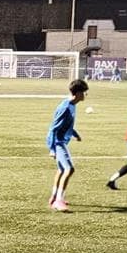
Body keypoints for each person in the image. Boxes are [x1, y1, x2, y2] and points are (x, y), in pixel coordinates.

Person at [46, 78, 88, 212]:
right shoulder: (65, 107)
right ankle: (58, 201)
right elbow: (53, 128)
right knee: (69, 169)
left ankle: (54, 197)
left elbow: (66, 125)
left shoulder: (72, 105)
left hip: (62, 141)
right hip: (58, 143)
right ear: (77, 93)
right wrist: (52, 149)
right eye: (84, 92)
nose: (85, 95)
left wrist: (75, 134)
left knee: (61, 170)